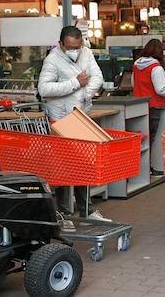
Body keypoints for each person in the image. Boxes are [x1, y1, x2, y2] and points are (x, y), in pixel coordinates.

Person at [37, 25, 111, 224]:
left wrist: (83, 94)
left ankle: (86, 210)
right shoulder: (52, 60)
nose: (74, 50)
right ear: (61, 44)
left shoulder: (86, 53)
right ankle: (63, 213)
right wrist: (76, 84)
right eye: (70, 47)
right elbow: (44, 89)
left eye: (77, 46)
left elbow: (97, 78)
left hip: (82, 119)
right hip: (61, 121)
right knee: (63, 168)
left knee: (84, 165)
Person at [131, 38, 165, 177]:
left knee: (141, 140)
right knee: (151, 139)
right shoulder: (156, 68)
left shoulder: (136, 65)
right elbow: (160, 90)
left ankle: (140, 169)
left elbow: (134, 84)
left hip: (138, 105)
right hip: (154, 105)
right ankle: (149, 169)